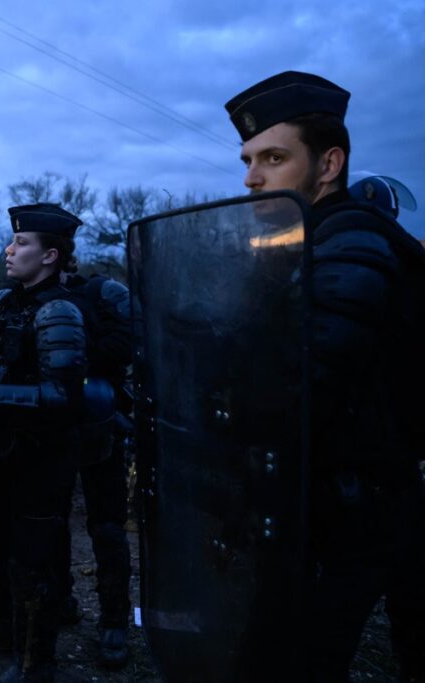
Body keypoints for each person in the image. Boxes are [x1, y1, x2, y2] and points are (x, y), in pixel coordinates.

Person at [225, 71, 425, 680]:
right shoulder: (301, 242)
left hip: (354, 513)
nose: (252, 176)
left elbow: (299, 380)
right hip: (320, 505)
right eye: (248, 159)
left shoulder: (352, 243)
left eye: (274, 157)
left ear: (329, 162)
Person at [0, 203, 88, 683]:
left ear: (50, 256)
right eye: (12, 241)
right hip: (3, 452)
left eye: (21, 243)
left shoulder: (61, 311)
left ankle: (36, 661)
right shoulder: (1, 302)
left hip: (44, 457)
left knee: (33, 558)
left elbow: (62, 398)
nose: (9, 250)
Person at [58, 269, 133, 668]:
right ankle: (60, 601)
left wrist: (74, 347)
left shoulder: (103, 292)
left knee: (107, 526)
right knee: (48, 520)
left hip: (101, 421)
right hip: (49, 426)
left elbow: (128, 341)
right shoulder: (24, 296)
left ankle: (114, 620)